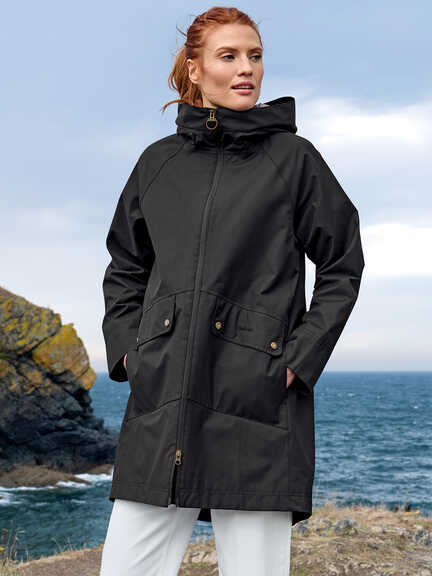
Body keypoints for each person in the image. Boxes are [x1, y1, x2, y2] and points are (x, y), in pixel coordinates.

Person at [99, 6, 365, 576]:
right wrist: (128, 353)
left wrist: (297, 361)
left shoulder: (294, 160)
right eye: (229, 56)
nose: (247, 68)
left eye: (255, 56)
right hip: (162, 397)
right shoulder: (157, 163)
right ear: (195, 70)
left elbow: (342, 264)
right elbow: (125, 265)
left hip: (256, 400)